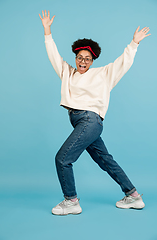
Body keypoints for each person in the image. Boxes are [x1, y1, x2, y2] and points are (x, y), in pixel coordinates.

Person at [39, 10, 151, 215]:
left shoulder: (103, 74)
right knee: (105, 159)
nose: (83, 61)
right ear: (75, 58)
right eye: (80, 58)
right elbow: (53, 55)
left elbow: (122, 63)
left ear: (93, 61)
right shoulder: (67, 73)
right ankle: (133, 196)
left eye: (87, 59)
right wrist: (47, 32)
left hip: (89, 121)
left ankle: (71, 201)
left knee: (63, 159)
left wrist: (134, 43)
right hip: (83, 124)